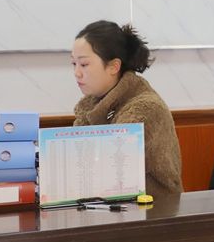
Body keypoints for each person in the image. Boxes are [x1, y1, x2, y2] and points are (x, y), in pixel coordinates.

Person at [72, 20, 183, 196]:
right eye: (74, 64)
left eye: (84, 64)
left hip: (155, 208)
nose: (77, 73)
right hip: (116, 206)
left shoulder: (145, 109)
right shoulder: (92, 106)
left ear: (113, 66)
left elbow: (109, 172)